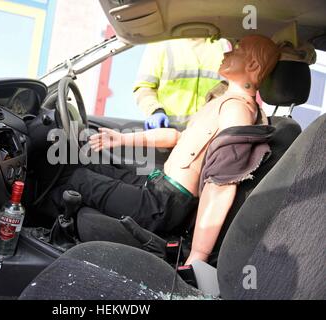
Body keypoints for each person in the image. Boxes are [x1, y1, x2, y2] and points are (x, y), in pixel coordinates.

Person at [55, 34, 280, 264]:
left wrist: (197, 256)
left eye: (237, 50)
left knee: (79, 179)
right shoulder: (224, 100)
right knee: (87, 164)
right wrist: (120, 139)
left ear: (252, 65)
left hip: (165, 204)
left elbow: (221, 184)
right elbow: (178, 137)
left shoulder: (237, 110)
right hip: (158, 187)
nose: (226, 53)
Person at [134, 38, 229, 130]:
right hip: (170, 132)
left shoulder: (224, 45)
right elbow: (144, 88)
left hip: (212, 133)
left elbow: (234, 86)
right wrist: (155, 111)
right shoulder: (159, 44)